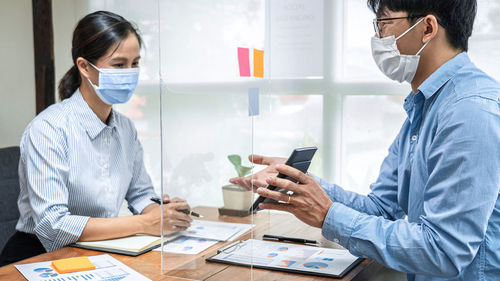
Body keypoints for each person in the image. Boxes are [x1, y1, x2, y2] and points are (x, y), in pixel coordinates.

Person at [231, 0, 500, 280]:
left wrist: (328, 215)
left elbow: (444, 250)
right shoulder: (427, 107)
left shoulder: (470, 111)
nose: (377, 39)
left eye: (383, 25)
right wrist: (301, 182)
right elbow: (382, 209)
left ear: (427, 27)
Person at [0, 11, 192, 266]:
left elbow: (141, 193)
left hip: (99, 251)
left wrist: (162, 213)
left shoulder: (125, 128)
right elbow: (53, 225)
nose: (130, 72)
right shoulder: (48, 129)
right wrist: (144, 223)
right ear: (84, 67)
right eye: (119, 64)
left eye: (135, 63)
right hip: (39, 256)